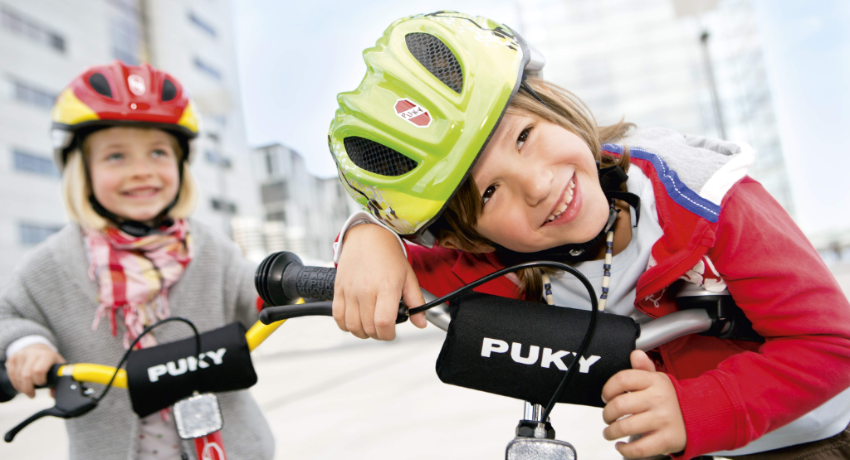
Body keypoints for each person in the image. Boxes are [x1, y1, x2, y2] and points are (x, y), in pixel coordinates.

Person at [328, 12, 850, 460]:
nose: (536, 185)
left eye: (525, 136)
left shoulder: (702, 201)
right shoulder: (501, 261)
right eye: (489, 194)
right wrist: (367, 235)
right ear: (466, 236)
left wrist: (696, 410)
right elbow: (378, 276)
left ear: (551, 99)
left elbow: (832, 344)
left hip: (816, 437)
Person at [0, 61, 274, 459]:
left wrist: (294, 284)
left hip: (229, 448)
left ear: (181, 164)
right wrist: (27, 344)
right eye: (116, 156)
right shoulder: (51, 264)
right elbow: (8, 314)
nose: (142, 171)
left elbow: (257, 290)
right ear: (81, 169)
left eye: (159, 152)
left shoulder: (208, 248)